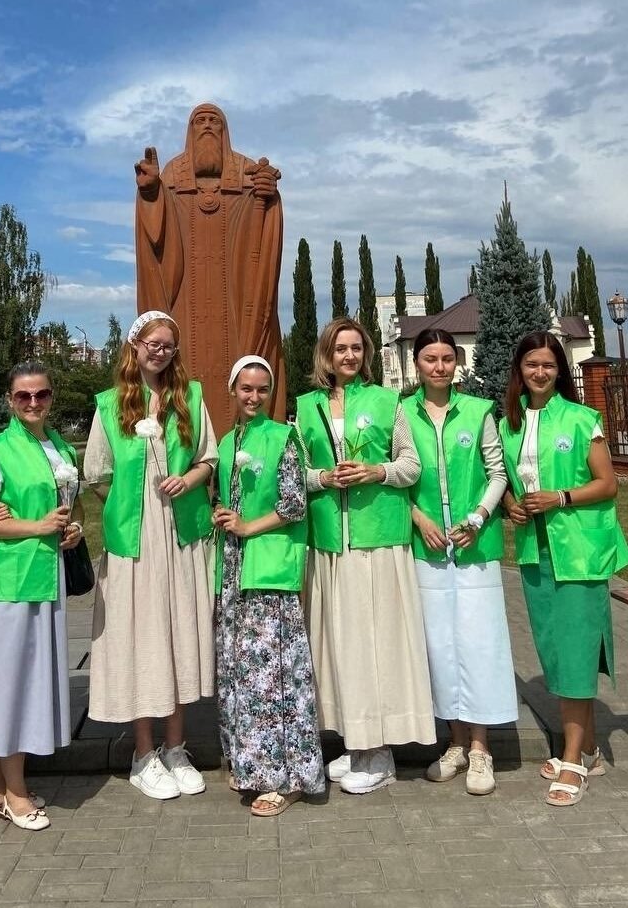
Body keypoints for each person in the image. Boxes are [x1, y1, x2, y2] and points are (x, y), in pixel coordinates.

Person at [295, 317, 436, 795]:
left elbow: (411, 466)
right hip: (330, 543)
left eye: (356, 348)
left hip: (378, 539)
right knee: (342, 646)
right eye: (340, 349)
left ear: (367, 353)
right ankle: (357, 742)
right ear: (326, 355)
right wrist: (323, 478)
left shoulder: (386, 401)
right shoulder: (307, 406)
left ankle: (379, 752)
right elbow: (296, 473)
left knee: (377, 646)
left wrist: (376, 471)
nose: (349, 356)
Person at [85, 311, 217, 800]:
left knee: (177, 634)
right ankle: (143, 754)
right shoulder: (109, 404)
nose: (159, 351)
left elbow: (208, 458)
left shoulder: (191, 396)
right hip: (135, 541)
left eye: (168, 345)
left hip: (181, 533)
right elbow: (97, 473)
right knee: (142, 638)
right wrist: (128, 505)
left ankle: (176, 747)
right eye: (152, 343)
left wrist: (188, 479)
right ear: (134, 346)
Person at [0, 361, 83, 831]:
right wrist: (36, 526)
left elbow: (62, 510)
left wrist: (71, 529)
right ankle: (16, 793)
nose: (32, 403)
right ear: (9, 400)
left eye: (41, 394)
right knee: (10, 687)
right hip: (5, 586)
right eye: (23, 395)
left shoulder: (60, 446)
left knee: (8, 684)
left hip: (41, 579)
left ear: (51, 397)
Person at [499, 332, 628, 807]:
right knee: (556, 652)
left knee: (575, 652)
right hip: (536, 552)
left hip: (578, 552)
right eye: (532, 364)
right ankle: (589, 748)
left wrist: (560, 497)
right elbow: (505, 481)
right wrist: (511, 505)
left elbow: (607, 483)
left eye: (549, 365)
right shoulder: (508, 424)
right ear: (520, 370)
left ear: (560, 371)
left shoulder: (581, 418)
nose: (540, 372)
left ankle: (572, 758)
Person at [403, 330, 518, 796]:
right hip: (427, 548)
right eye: (430, 358)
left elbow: (497, 472)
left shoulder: (478, 410)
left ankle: (481, 747)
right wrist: (419, 518)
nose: (439, 367)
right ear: (416, 363)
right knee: (440, 646)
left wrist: (479, 517)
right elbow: (397, 478)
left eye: (447, 358)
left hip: (475, 547)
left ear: (457, 363)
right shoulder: (401, 413)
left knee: (479, 643)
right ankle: (454, 742)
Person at [213, 355, 324, 816]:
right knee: (240, 674)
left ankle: (287, 777)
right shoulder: (227, 442)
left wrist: (246, 526)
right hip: (234, 572)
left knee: (274, 675)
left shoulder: (283, 437)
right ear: (233, 390)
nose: (254, 397)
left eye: (262, 389)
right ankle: (250, 766)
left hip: (268, 570)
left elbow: (294, 504)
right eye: (246, 388)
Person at [134, 102, 287, 424]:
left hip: (237, 307)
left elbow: (263, 236)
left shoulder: (247, 173)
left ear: (224, 131)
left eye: (213, 121)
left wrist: (269, 195)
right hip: (185, 304)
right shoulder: (172, 175)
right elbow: (157, 242)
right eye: (199, 121)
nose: (206, 126)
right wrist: (150, 193)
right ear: (190, 132)